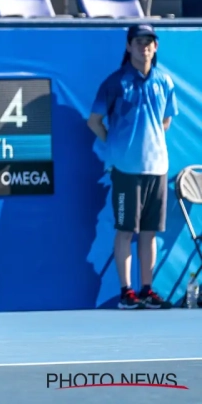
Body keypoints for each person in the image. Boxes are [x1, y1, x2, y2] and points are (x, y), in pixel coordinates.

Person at [88, 24, 177, 310]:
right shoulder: (114, 83)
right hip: (126, 171)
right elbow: (95, 121)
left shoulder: (165, 81)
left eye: (149, 42)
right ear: (128, 47)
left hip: (157, 169)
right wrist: (115, 147)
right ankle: (127, 292)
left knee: (149, 233)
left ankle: (147, 289)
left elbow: (166, 120)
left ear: (156, 47)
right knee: (126, 231)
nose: (144, 47)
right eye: (139, 42)